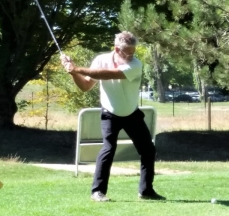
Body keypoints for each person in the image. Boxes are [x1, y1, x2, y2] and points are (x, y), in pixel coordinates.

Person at [60, 31, 165, 202]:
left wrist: (76, 68)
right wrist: (73, 73)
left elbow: (108, 74)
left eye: (133, 51)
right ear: (117, 49)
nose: (131, 55)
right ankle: (97, 192)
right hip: (110, 113)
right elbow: (86, 86)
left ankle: (146, 190)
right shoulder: (101, 59)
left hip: (132, 113)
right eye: (127, 52)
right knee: (108, 149)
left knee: (148, 149)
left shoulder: (135, 65)